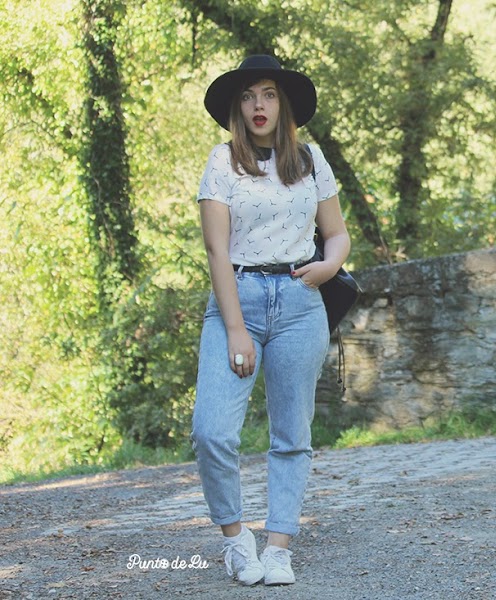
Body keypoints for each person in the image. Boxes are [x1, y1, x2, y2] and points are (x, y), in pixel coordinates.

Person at [191, 55, 350, 586]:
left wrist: (327, 267)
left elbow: (337, 233)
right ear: (237, 108)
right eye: (248, 96)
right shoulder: (222, 162)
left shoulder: (310, 159)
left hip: (301, 302)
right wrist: (236, 329)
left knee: (291, 434)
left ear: (284, 105)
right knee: (212, 430)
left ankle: (278, 546)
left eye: (268, 95)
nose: (258, 106)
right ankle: (237, 541)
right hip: (240, 300)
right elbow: (217, 251)